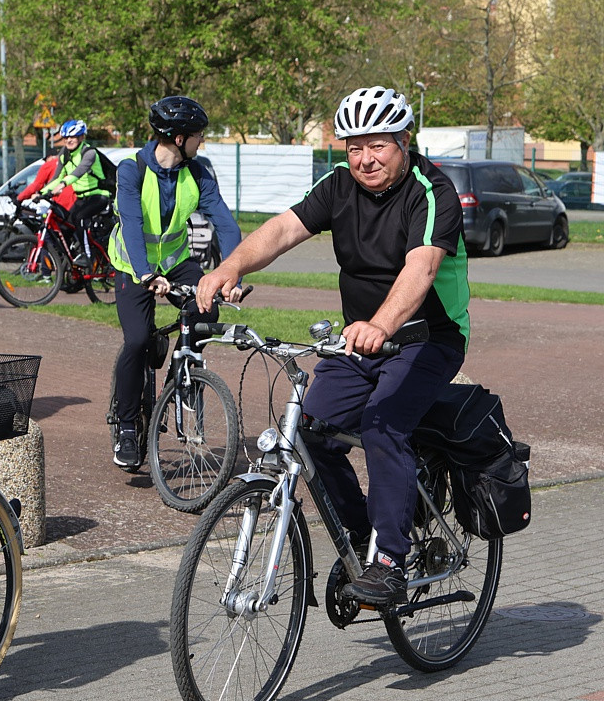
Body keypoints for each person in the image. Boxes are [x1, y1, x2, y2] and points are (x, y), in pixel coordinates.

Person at [197, 86, 470, 606]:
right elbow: (281, 230)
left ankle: (389, 561)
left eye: (378, 145)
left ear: (404, 141)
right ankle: (360, 540)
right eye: (354, 146)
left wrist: (382, 325)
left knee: (382, 424)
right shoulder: (339, 185)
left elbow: (422, 267)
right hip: (359, 340)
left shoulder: (431, 191)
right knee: (313, 433)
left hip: (427, 337)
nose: (365, 159)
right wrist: (230, 264)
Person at [109, 96, 242, 469]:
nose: (203, 142)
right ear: (179, 137)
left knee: (206, 306)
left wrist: (232, 275)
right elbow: (132, 225)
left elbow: (227, 225)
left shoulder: (197, 173)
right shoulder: (131, 170)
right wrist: (147, 275)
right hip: (133, 266)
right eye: (199, 135)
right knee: (136, 340)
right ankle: (125, 427)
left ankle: (187, 380)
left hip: (177, 261)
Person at [40, 119, 111, 266]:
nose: (69, 141)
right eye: (66, 138)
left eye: (72, 137)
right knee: (64, 223)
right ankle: (71, 261)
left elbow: (79, 172)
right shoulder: (64, 154)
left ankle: (88, 255)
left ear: (81, 137)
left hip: (98, 195)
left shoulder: (89, 153)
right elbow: (57, 177)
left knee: (79, 218)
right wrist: (42, 192)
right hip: (81, 198)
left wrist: (63, 184)